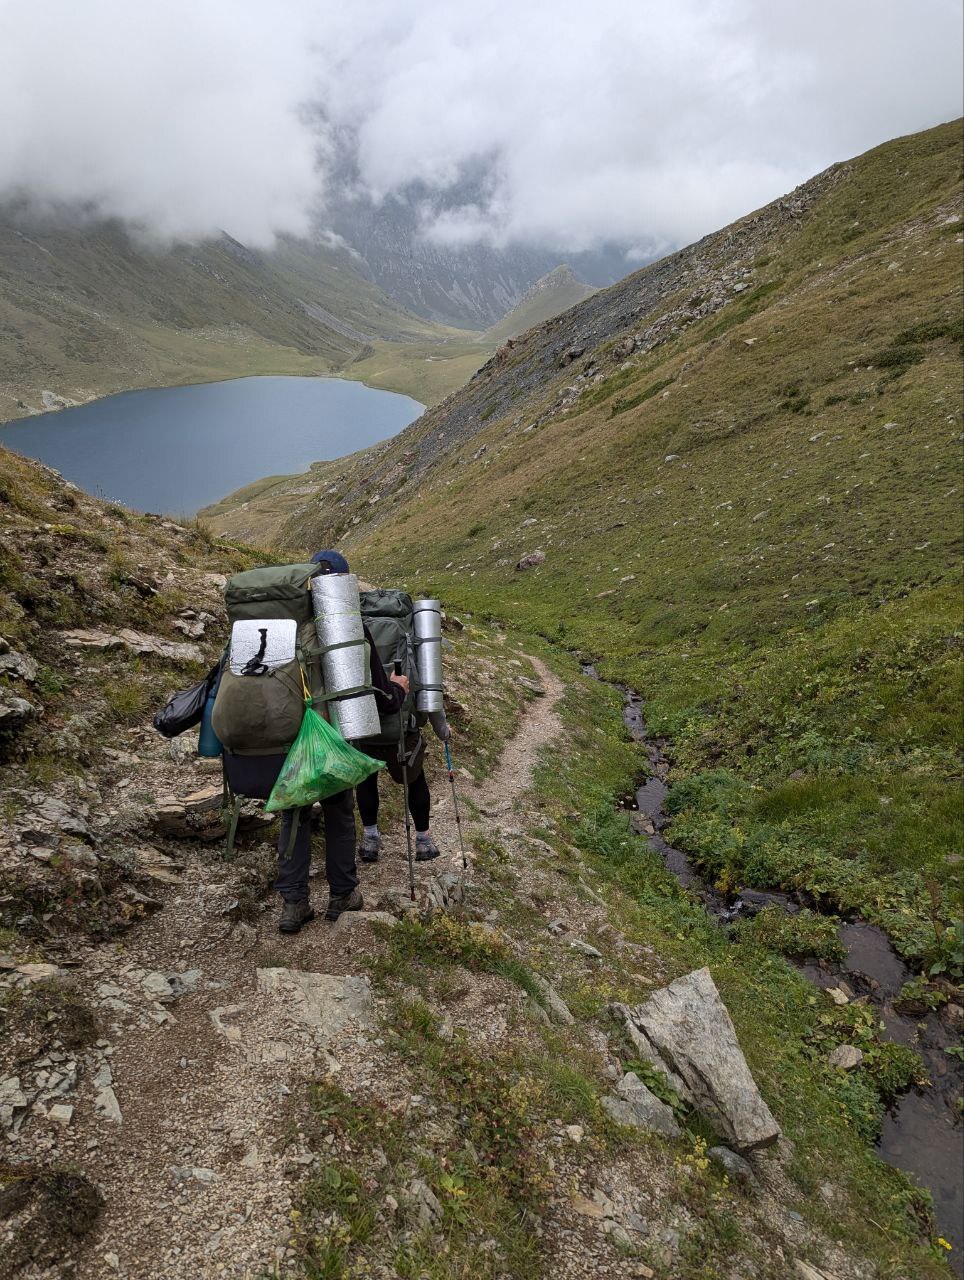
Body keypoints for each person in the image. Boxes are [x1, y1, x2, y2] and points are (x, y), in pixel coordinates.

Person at [269, 550, 408, 933]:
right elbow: (379, 692)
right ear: (343, 586)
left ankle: (294, 904)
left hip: (289, 732)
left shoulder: (283, 623)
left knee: (293, 813)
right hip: (336, 734)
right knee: (339, 811)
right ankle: (341, 894)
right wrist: (398, 690)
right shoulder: (347, 625)